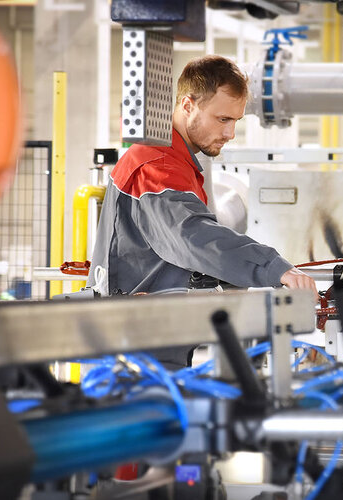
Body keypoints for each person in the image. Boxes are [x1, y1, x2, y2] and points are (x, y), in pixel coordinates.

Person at [88, 55, 316, 367]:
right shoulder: (157, 164)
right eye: (223, 119)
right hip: (136, 350)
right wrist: (273, 268)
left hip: (153, 341)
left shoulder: (176, 162)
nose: (230, 133)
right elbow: (193, 237)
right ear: (187, 106)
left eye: (236, 121)